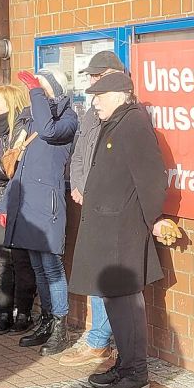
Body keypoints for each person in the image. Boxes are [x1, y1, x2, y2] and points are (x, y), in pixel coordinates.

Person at [70, 72, 168, 388]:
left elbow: (151, 177)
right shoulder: (116, 121)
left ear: (120, 94)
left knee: (127, 305)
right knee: (114, 302)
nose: (94, 101)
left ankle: (136, 373)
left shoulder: (133, 123)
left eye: (100, 95)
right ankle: (125, 365)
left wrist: (152, 219)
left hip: (122, 232)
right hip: (107, 230)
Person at [0, 68, 78, 355]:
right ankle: (45, 320)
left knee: (52, 268)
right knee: (38, 267)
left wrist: (35, 91)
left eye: (41, 87)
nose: (36, 93)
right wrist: (5, 203)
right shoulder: (30, 118)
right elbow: (17, 167)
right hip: (25, 201)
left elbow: (49, 131)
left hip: (48, 203)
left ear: (54, 88)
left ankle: (60, 326)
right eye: (35, 89)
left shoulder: (67, 119)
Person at [59, 50, 126, 367]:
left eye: (97, 77)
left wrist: (92, 190)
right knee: (95, 272)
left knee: (105, 275)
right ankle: (98, 339)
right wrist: (76, 185)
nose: (92, 82)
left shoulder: (120, 115)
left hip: (108, 208)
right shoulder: (90, 113)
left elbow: (111, 164)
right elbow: (80, 154)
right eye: (90, 76)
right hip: (87, 202)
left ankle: (100, 341)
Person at [0, 84, 38, 334]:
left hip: (21, 206)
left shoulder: (25, 130)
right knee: (2, 262)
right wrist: (3, 169)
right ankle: (4, 314)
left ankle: (23, 313)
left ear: (11, 103)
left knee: (22, 262)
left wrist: (3, 169)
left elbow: (24, 171)